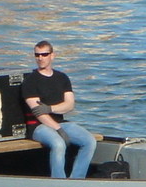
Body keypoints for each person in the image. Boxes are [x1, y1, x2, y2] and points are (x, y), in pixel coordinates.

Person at [21, 41, 97, 179]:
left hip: (61, 122)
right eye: (37, 55)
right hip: (38, 127)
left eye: (44, 54)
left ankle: (76, 179)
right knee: (59, 144)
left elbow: (69, 105)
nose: (40, 58)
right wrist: (58, 129)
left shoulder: (62, 78)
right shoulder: (30, 81)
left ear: (52, 55)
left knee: (89, 141)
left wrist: (50, 108)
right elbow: (39, 113)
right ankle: (58, 181)